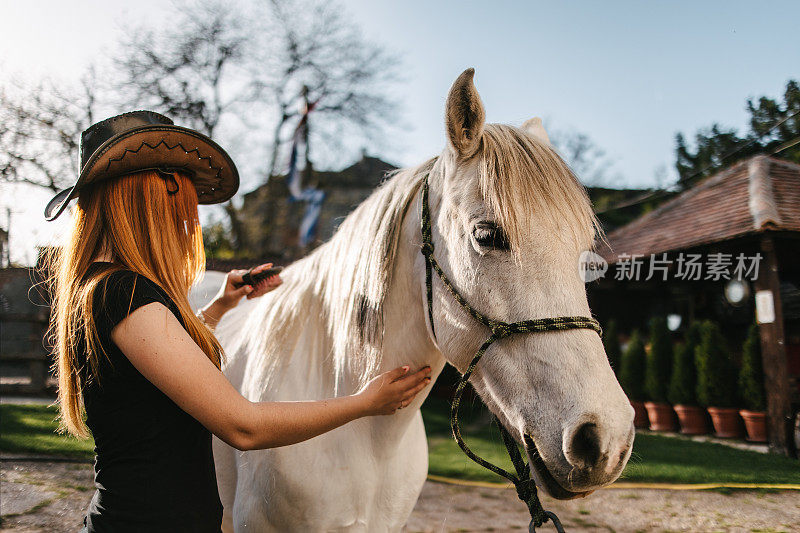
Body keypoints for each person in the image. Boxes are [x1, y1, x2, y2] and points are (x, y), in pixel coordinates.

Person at [41, 111, 431, 533]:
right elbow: (242, 426)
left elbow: (157, 373)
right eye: (186, 198)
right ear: (155, 191)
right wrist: (364, 403)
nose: (192, 219)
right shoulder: (123, 293)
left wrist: (221, 306)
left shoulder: (104, 288)